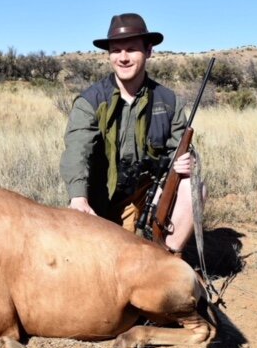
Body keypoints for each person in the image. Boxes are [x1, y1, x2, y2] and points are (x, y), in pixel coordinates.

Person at [60, 13, 202, 255]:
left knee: (193, 185)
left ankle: (170, 255)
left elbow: (179, 150)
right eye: (116, 50)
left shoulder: (168, 101)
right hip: (100, 202)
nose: (123, 58)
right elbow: (77, 151)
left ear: (149, 51)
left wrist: (187, 163)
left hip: (148, 198)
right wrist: (78, 198)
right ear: (109, 55)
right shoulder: (90, 101)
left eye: (131, 49)